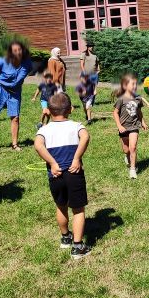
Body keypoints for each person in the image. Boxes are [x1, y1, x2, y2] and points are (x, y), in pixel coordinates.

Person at [34, 93, 92, 259]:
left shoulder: (44, 130)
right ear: (70, 109)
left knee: (61, 205)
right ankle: (78, 246)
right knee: (78, 209)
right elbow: (85, 136)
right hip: (74, 172)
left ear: (49, 111)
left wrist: (52, 163)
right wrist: (76, 158)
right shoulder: (76, 126)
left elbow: (38, 145)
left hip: (55, 174)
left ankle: (66, 237)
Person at [0, 41, 32, 153]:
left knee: (15, 117)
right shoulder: (2, 61)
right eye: (15, 50)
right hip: (0, 88)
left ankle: (14, 144)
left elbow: (23, 76)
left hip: (15, 91)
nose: (18, 52)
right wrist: (1, 83)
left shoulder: (27, 63)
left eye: (20, 50)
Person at [113, 74, 148, 179]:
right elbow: (115, 113)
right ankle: (127, 157)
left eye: (136, 84)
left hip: (134, 127)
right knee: (126, 150)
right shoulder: (121, 99)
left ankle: (133, 169)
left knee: (133, 147)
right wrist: (119, 126)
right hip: (123, 128)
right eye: (132, 84)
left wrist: (143, 122)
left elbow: (139, 112)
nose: (135, 86)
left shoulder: (138, 99)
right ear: (125, 85)